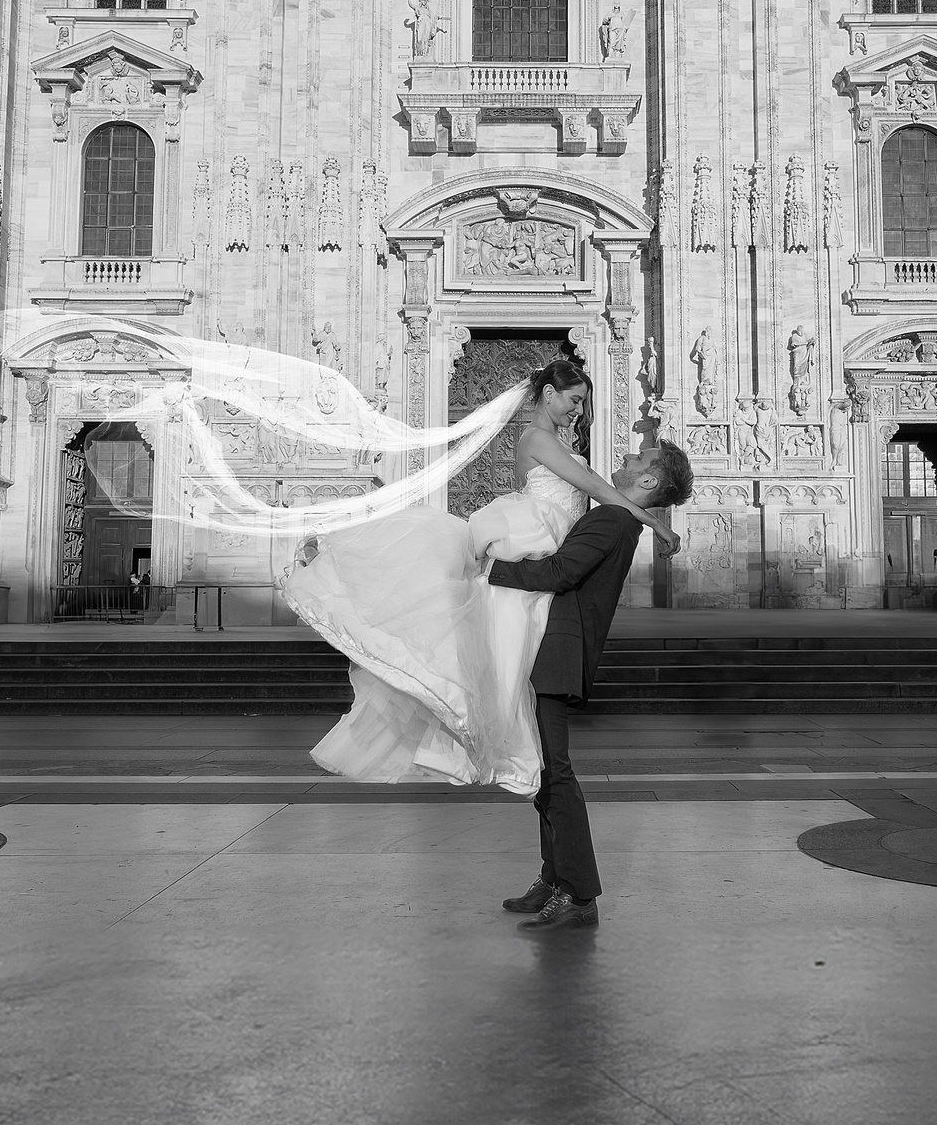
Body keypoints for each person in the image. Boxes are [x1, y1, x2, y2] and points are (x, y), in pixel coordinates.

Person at [280, 361, 675, 794]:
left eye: (582, 402)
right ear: (548, 394)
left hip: (545, 539)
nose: (579, 410)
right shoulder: (538, 438)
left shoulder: (554, 441)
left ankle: (502, 746)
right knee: (506, 646)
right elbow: (596, 487)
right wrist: (654, 522)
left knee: (511, 647)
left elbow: (596, 486)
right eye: (574, 399)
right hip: (530, 538)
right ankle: (493, 743)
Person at [486, 435, 696, 931]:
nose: (624, 458)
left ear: (648, 479)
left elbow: (560, 572)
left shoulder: (611, 518)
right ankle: (555, 875)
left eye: (638, 459)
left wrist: (488, 567)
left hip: (555, 654)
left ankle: (579, 894)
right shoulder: (622, 520)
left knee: (555, 772)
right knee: (544, 771)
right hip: (557, 653)